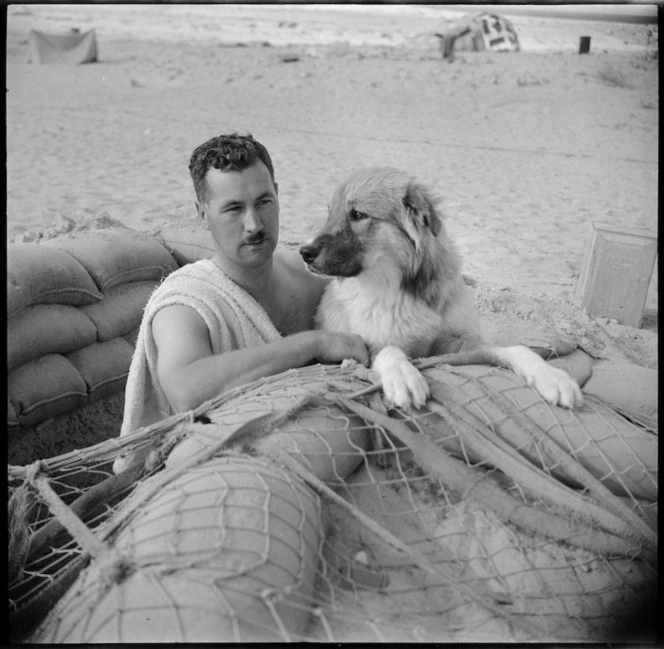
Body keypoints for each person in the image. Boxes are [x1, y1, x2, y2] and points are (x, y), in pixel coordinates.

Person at [114, 133, 369, 473]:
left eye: (263, 202)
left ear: (278, 194)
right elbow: (187, 390)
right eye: (234, 208)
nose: (254, 225)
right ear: (202, 215)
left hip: (315, 453)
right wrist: (314, 343)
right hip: (212, 474)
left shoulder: (309, 276)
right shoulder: (186, 304)